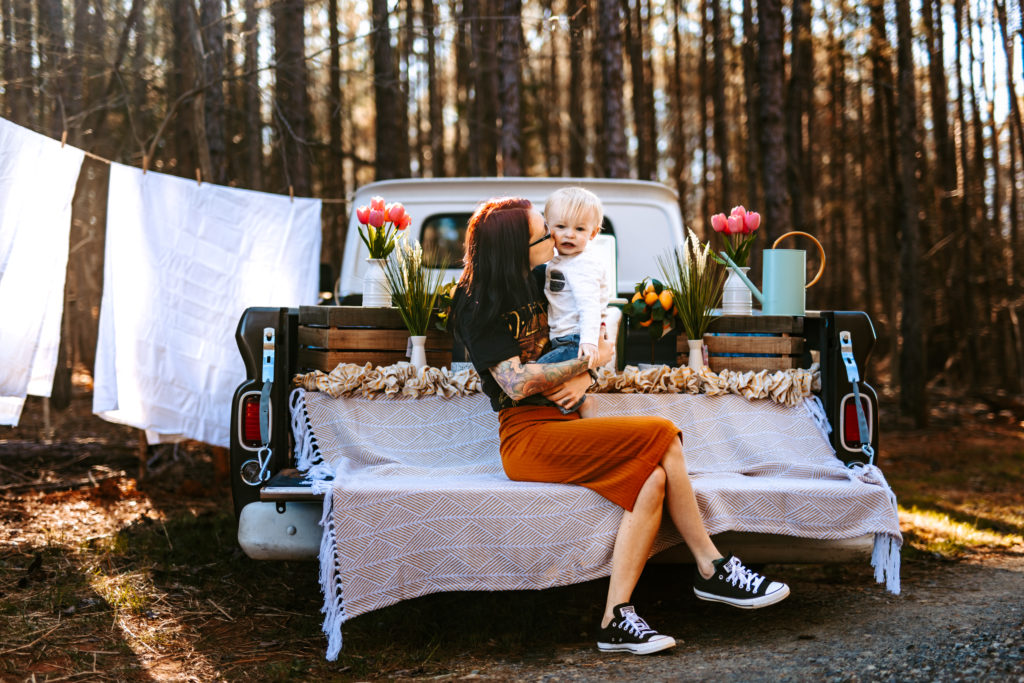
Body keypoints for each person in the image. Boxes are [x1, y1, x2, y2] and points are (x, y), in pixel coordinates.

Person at [451, 197, 790, 656]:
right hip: (527, 436)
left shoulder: (542, 276)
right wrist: (584, 362)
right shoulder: (475, 300)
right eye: (543, 233)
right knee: (661, 433)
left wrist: (587, 371)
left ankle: (616, 619)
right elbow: (515, 384)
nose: (555, 238)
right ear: (516, 247)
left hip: (570, 419)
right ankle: (712, 567)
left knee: (652, 480)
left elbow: (597, 322)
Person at [533, 187, 610, 416]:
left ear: (593, 233)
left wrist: (588, 342)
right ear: (548, 228)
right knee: (550, 384)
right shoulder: (559, 261)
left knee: (533, 377)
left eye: (579, 229)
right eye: (561, 227)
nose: (569, 234)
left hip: (575, 341)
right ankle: (574, 410)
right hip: (563, 339)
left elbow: (590, 306)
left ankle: (584, 406)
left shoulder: (582, 265)